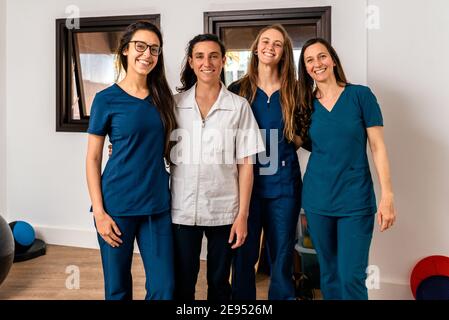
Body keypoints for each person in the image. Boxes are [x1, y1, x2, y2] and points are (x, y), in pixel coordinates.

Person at [297, 38, 397, 300]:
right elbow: (301, 143)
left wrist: (388, 196)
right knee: (328, 273)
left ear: (332, 59)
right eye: (309, 60)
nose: (316, 64)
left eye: (321, 56)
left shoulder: (360, 96)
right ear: (305, 68)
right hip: (318, 199)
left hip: (355, 200)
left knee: (351, 275)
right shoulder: (305, 104)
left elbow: (378, 147)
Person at [86, 21, 176, 300]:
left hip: (156, 206)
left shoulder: (164, 98)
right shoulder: (106, 99)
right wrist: (100, 214)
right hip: (116, 206)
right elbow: (93, 158)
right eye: (140, 46)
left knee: (164, 288)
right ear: (125, 50)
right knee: (117, 288)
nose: (147, 54)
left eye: (154, 49)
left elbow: (168, 147)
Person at [170, 34, 265, 301]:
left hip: (226, 210)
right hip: (182, 209)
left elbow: (247, 164)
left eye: (213, 56)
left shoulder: (238, 106)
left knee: (219, 283)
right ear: (191, 62)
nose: (206, 62)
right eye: (199, 56)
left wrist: (243, 215)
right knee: (183, 283)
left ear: (223, 61)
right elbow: (154, 148)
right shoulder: (175, 105)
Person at [229, 24, 308, 300]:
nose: (270, 47)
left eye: (277, 44)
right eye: (265, 41)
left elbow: (305, 133)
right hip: (245, 189)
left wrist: (289, 142)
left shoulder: (295, 91)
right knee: (242, 255)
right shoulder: (237, 90)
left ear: (284, 52)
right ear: (256, 47)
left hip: (283, 188)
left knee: (282, 256)